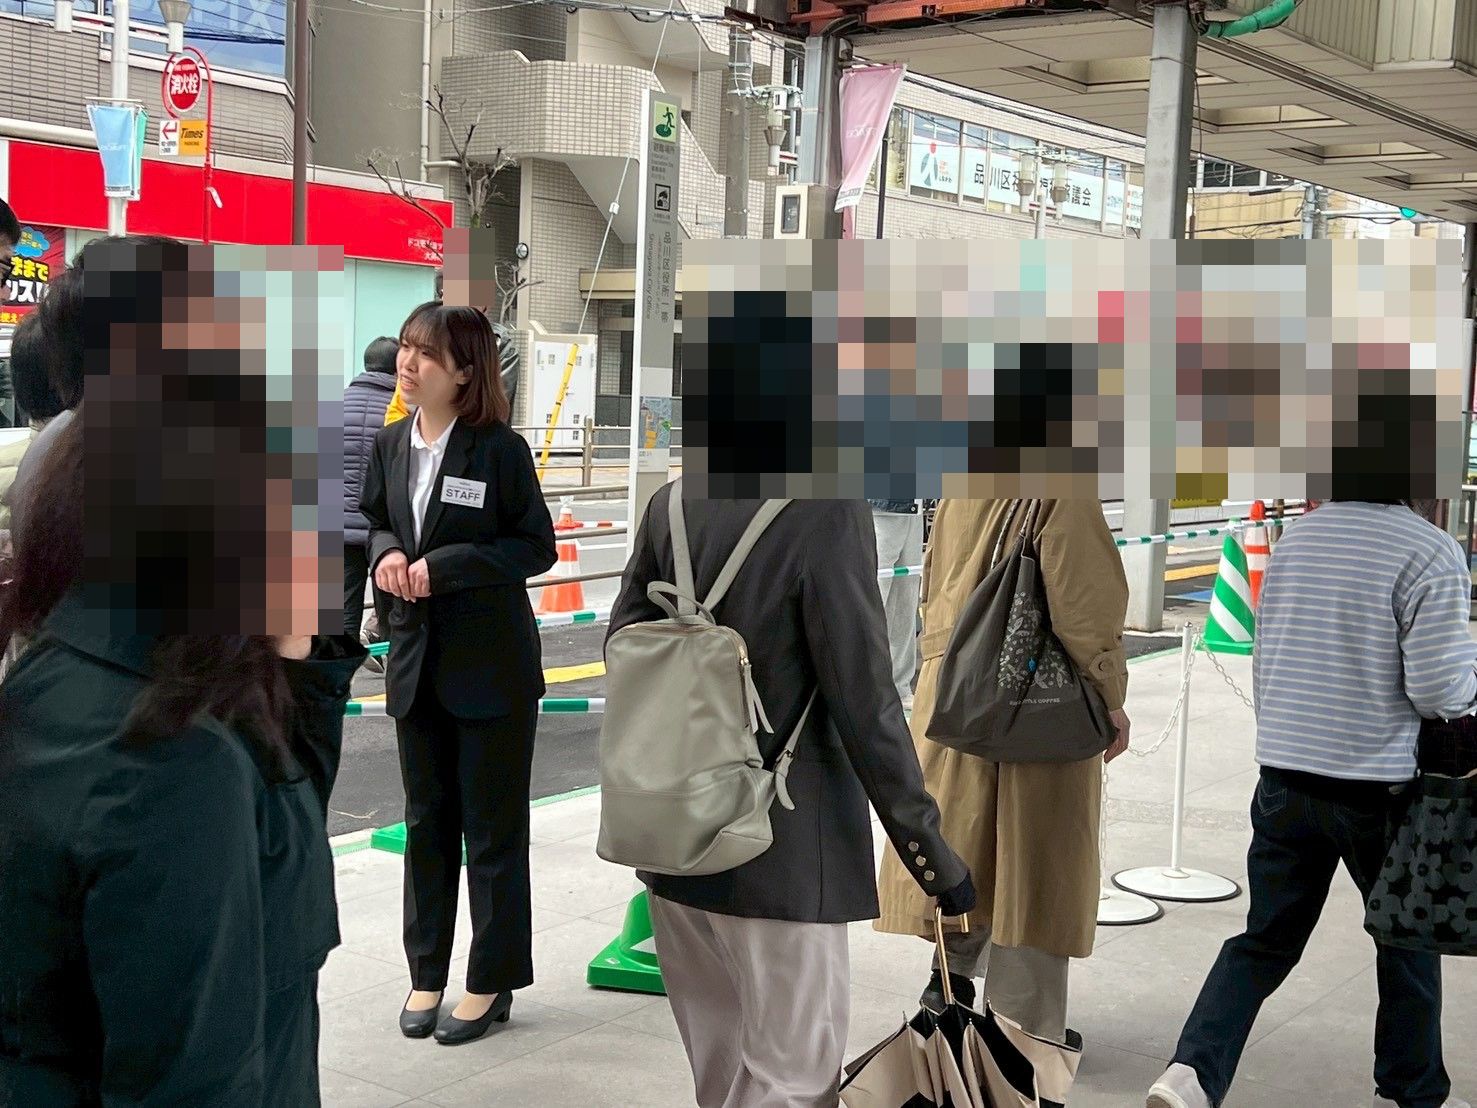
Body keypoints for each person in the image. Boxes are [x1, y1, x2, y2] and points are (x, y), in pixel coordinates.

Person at [0, 235, 364, 1106]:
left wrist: (299, 667)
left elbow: (285, 829)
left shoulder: (91, 673)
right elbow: (193, 1073)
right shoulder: (173, 756)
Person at [608, 492, 975, 1107]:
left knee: (720, 1078)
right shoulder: (826, 509)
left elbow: (624, 646)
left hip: (673, 838)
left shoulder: (673, 501)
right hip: (785, 848)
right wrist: (929, 853)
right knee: (794, 1082)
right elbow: (865, 700)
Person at [1148, 498, 1476, 1108]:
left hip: (1284, 778)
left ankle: (1190, 1073)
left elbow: (1267, 656)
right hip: (1379, 790)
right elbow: (1441, 690)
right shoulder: (1429, 549)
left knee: (1264, 939)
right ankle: (1409, 1093)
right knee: (1406, 941)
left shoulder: (1297, 541)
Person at [360, 301, 557, 1046]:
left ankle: (490, 978)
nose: (408, 365)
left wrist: (446, 567)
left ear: (466, 372)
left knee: (493, 830)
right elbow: (376, 519)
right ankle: (426, 972)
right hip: (415, 664)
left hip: (491, 670)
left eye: (427, 355)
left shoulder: (499, 450)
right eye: (407, 349)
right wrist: (386, 553)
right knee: (426, 825)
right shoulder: (391, 445)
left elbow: (534, 547)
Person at [876, 499, 1131, 1042]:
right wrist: (1110, 694)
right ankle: (1022, 1038)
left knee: (969, 850)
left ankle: (949, 988)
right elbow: (1085, 608)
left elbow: (934, 587)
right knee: (1033, 867)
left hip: (956, 693)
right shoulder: (1062, 488)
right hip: (1033, 704)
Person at [343, 336, 399, 659]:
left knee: (344, 613)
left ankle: (341, 681)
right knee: (392, 612)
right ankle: (396, 676)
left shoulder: (335, 405)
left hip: (339, 530)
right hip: (385, 534)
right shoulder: (401, 412)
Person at [869, 497, 925, 710]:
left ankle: (900, 687)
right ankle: (865, 689)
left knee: (905, 607)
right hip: (880, 508)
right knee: (873, 605)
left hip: (913, 509)